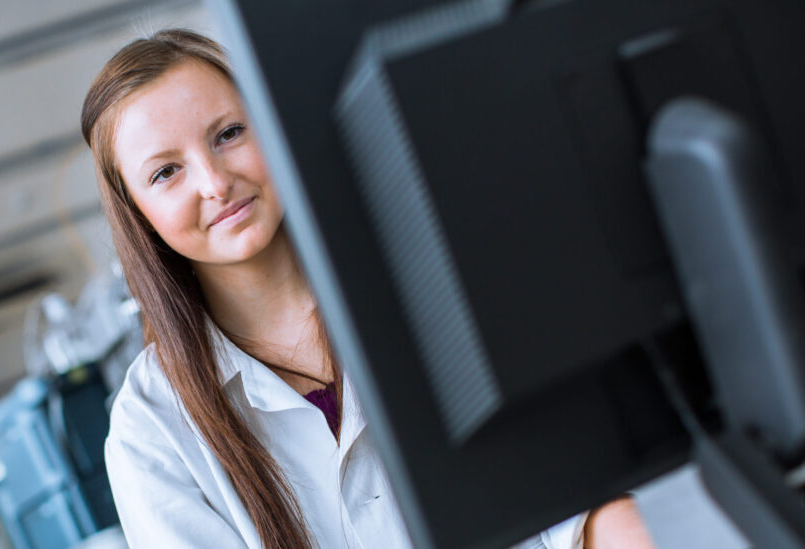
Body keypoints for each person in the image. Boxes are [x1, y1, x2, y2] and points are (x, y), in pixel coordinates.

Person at [81, 28, 655, 549]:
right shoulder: (149, 430)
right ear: (137, 213)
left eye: (229, 133)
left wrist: (618, 521)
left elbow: (573, 480)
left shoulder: (427, 281)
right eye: (166, 172)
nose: (214, 181)